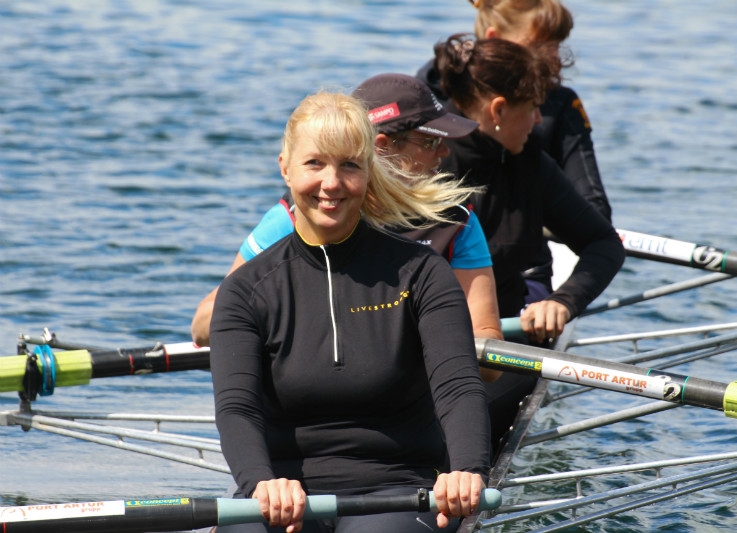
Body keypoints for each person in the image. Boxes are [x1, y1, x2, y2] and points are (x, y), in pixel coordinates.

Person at [210, 91, 491, 532]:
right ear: (285, 167)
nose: (332, 183)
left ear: (369, 171)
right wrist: (260, 482)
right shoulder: (246, 290)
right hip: (281, 493)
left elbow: (457, 387)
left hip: (399, 489)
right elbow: (237, 408)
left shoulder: (422, 274)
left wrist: (469, 469)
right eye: (314, 164)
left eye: (349, 166)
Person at [191, 74, 503, 381]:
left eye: (348, 165)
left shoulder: (455, 223)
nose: (444, 152)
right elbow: (204, 325)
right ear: (382, 148)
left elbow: (490, 363)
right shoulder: (300, 215)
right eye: (430, 141)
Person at [427, 33, 625, 447]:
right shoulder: (425, 159)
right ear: (498, 110)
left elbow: (604, 243)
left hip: (502, 341)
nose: (538, 121)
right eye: (533, 107)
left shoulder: (530, 162)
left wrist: (562, 302)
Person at [418, 0, 613, 296]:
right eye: (539, 47)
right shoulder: (425, 118)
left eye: (556, 46)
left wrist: (564, 301)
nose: (554, 60)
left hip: (521, 269)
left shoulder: (538, 147)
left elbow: (598, 223)